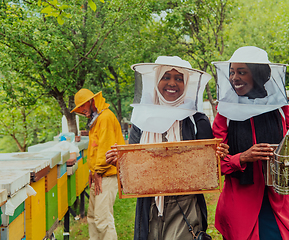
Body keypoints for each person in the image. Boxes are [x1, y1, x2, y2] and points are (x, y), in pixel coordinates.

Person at [106, 56, 228, 240]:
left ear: (186, 83)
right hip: (149, 206)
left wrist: (217, 157)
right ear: (156, 80)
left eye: (179, 78)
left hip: (185, 206)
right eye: (166, 77)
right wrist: (120, 162)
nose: (172, 83)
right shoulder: (141, 120)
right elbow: (133, 169)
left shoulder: (196, 120)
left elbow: (210, 170)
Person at [211, 46, 289, 240]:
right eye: (231, 72)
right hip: (240, 202)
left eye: (241, 72)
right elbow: (213, 163)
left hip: (279, 201)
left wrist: (285, 162)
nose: (234, 78)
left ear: (258, 74)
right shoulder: (225, 112)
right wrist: (243, 157)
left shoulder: (280, 109)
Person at [71, 89, 125, 240]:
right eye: (79, 108)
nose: (82, 110)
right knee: (93, 217)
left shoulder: (105, 117)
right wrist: (92, 171)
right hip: (99, 174)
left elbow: (107, 149)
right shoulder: (97, 119)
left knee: (102, 219)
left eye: (83, 106)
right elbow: (95, 148)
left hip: (106, 175)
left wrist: (98, 171)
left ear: (92, 101)